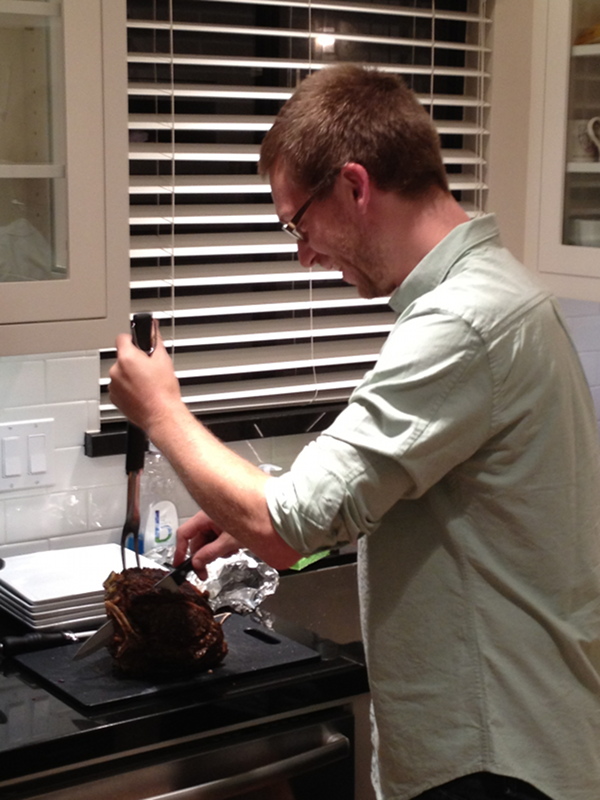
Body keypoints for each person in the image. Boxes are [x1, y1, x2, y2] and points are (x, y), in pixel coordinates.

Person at [109, 65, 600, 800]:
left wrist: (160, 412)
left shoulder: (461, 323)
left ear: (354, 186)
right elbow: (409, 488)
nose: (302, 252)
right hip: (517, 741)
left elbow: (288, 528)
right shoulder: (497, 294)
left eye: (296, 223)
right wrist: (254, 510)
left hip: (494, 760)